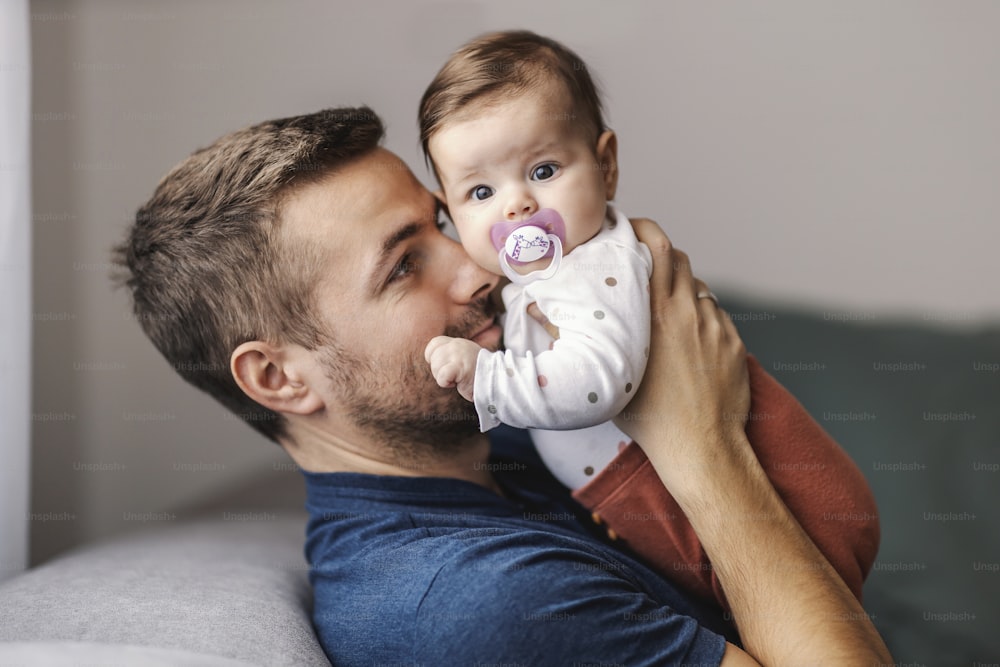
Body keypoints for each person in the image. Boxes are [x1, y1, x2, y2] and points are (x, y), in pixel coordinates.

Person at [114, 106, 893, 665]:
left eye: (441, 223)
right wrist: (703, 442)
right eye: (402, 267)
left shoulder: (515, 432)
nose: (479, 267)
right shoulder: (479, 603)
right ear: (278, 377)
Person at [419, 30, 879, 612]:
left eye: (542, 170)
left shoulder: (593, 269)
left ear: (605, 165)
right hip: (634, 480)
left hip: (670, 477)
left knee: (751, 602)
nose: (516, 206)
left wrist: (487, 377)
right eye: (481, 190)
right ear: (451, 211)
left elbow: (597, 383)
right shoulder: (545, 280)